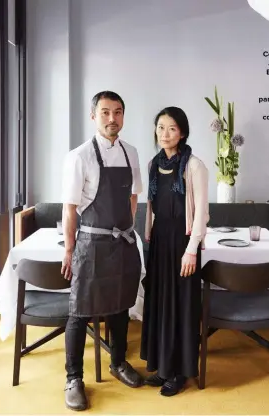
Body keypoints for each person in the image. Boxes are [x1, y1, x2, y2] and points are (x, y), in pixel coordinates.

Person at [61, 91, 143, 411]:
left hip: (122, 244)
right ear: (93, 116)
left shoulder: (131, 153)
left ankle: (118, 363)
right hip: (91, 246)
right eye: (106, 112)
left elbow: (133, 198)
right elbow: (70, 210)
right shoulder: (79, 156)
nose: (113, 118)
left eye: (118, 112)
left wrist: (127, 230)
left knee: (120, 307)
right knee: (80, 313)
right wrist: (69, 251)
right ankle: (73, 378)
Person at [140, 106, 209, 396]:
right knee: (160, 304)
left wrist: (192, 250)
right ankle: (163, 367)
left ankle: (180, 372)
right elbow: (151, 208)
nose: (164, 134)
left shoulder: (194, 165)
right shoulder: (153, 164)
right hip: (159, 243)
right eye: (160, 128)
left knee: (181, 307)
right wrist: (147, 240)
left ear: (182, 132)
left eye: (171, 128)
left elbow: (202, 213)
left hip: (183, 244)